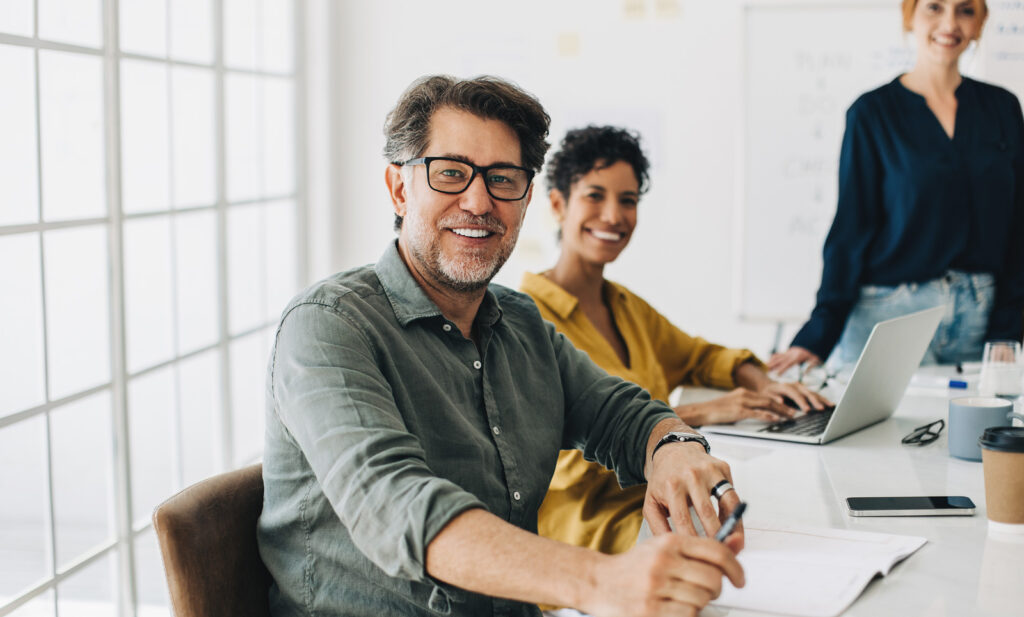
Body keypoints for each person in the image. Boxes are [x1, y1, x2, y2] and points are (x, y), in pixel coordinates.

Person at [257, 75, 746, 617]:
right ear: (399, 188)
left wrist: (674, 448)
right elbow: (396, 508)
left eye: (503, 179)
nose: (478, 200)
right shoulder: (326, 326)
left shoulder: (520, 322)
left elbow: (618, 412)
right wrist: (598, 580)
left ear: (527, 197)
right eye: (450, 173)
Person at [520, 126, 830, 559]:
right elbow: (565, 456)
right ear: (557, 204)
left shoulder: (627, 308)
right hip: (592, 533)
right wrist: (698, 415)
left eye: (628, 200)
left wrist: (763, 384)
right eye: (595, 195)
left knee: (798, 523)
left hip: (667, 503)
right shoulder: (523, 318)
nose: (613, 215)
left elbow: (705, 357)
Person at [769, 0, 1024, 376]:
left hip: (980, 314)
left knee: (973, 434)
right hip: (888, 313)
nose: (950, 23)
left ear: (981, 22)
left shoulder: (1003, 108)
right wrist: (820, 331)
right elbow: (852, 228)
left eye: (966, 10)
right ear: (910, 17)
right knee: (868, 434)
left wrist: (1009, 327)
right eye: (934, 7)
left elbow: (1018, 226)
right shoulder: (872, 113)